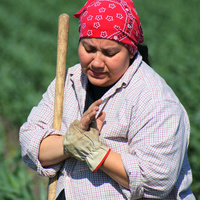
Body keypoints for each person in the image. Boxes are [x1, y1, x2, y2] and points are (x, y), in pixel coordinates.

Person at [19, 0, 196, 199]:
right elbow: (30, 143)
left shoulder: (154, 98)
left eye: (109, 53)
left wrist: (95, 152)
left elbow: (156, 181)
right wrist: (70, 144)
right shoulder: (68, 81)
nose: (96, 62)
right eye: (88, 49)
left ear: (130, 51)